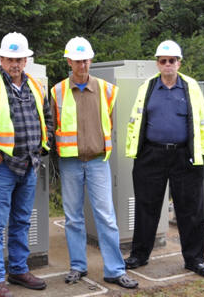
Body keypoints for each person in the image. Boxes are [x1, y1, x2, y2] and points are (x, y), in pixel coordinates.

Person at [0, 32, 53, 297]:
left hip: (29, 165)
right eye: (10, 59)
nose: (15, 63)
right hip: (2, 168)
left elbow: (47, 118)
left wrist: (41, 147)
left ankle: (17, 269)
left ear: (26, 60)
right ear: (1, 59)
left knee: (22, 221)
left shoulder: (36, 86)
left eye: (19, 59)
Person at [51, 37, 139, 289]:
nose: (83, 64)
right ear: (69, 61)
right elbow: (53, 125)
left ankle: (114, 270)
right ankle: (77, 266)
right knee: (73, 218)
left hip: (98, 160)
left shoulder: (107, 89)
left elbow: (108, 122)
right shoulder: (57, 91)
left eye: (87, 59)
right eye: (78, 60)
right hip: (70, 163)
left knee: (106, 217)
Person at [124, 40, 204, 277]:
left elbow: (203, 121)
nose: (167, 65)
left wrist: (203, 152)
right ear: (157, 63)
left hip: (185, 155)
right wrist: (136, 151)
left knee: (191, 209)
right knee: (146, 206)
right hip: (151, 154)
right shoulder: (147, 87)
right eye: (163, 61)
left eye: (172, 61)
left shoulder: (191, 87)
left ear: (179, 63)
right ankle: (139, 255)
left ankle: (194, 260)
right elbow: (135, 121)